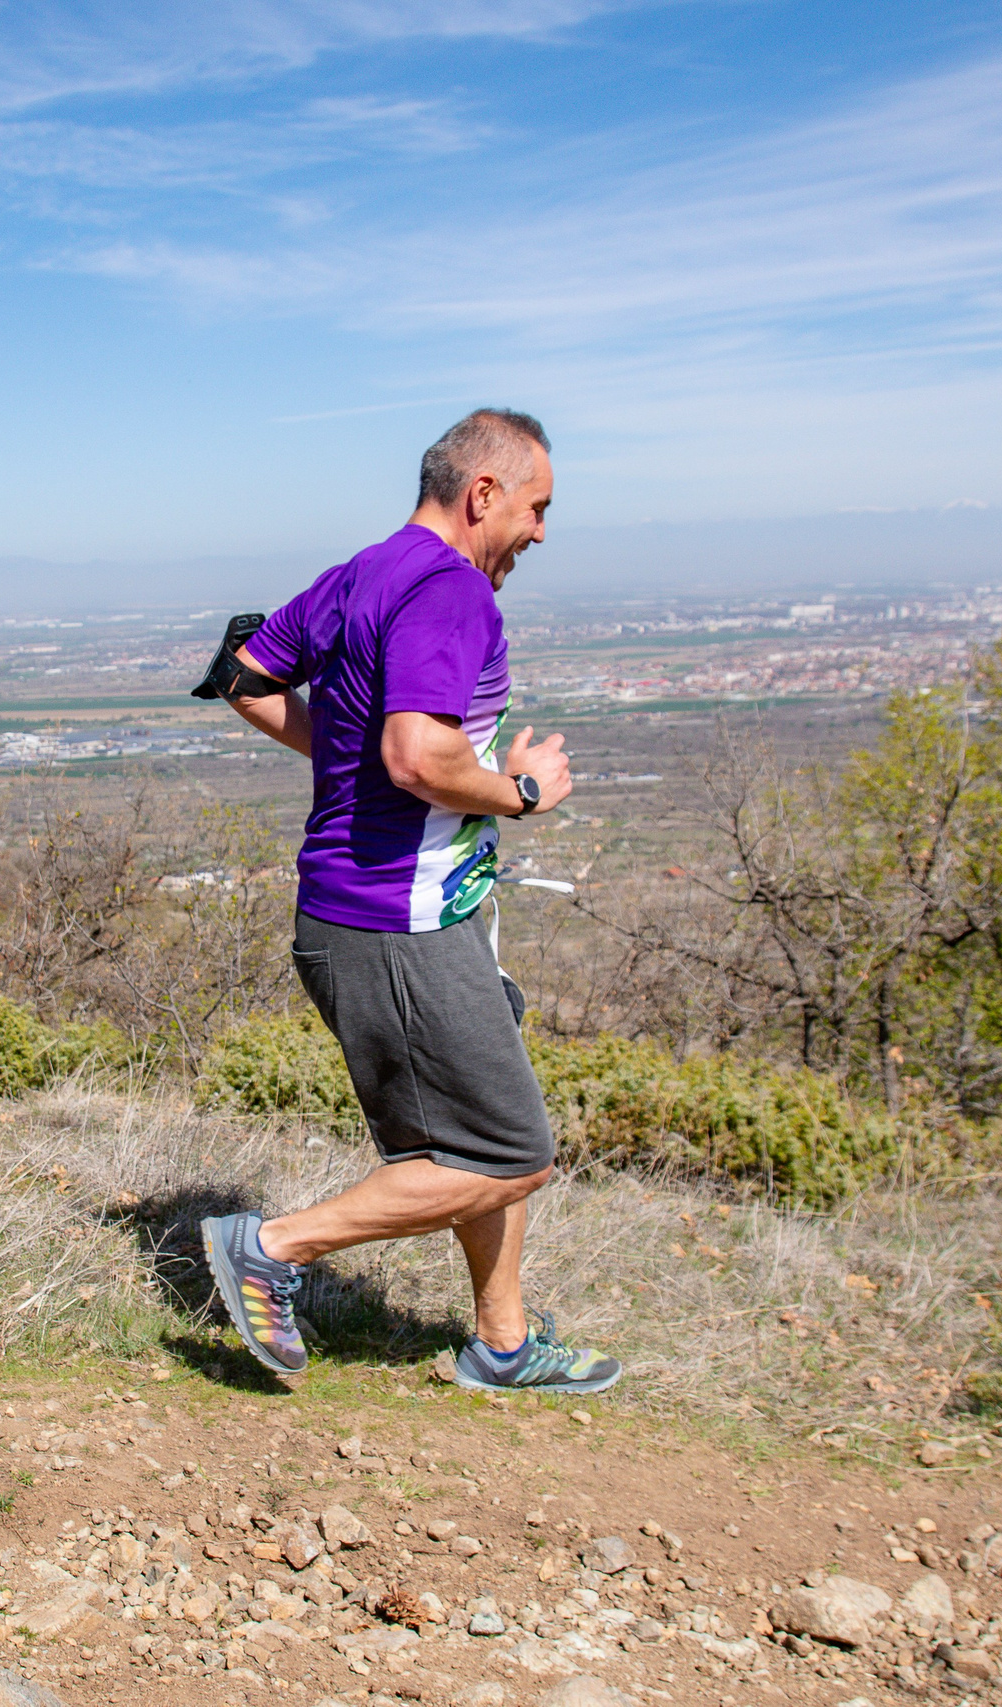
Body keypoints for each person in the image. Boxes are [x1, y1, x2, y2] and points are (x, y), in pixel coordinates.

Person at [192, 408, 621, 1396]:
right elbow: (420, 756)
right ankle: (272, 1247)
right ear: (483, 494)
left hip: (389, 917)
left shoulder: (363, 572)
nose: (540, 532)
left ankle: (503, 1343)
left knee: (472, 1137)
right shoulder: (450, 589)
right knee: (513, 1154)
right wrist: (519, 792)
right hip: (398, 925)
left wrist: (351, 762)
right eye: (537, 508)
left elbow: (243, 675)